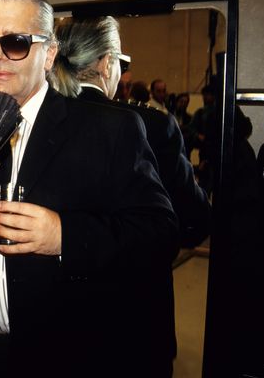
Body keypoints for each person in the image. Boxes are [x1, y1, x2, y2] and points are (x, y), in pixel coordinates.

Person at [0, 0, 179, 377]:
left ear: (49, 53)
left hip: (69, 357)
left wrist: (64, 236)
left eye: (17, 43)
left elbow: (160, 234)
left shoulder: (109, 130)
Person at [54, 16, 210, 248]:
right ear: (106, 64)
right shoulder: (153, 125)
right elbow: (193, 222)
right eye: (121, 63)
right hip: (133, 278)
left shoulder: (42, 117)